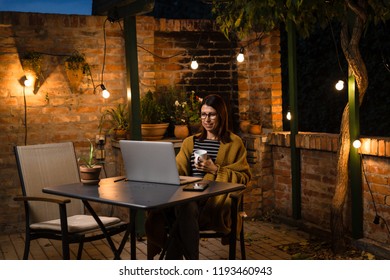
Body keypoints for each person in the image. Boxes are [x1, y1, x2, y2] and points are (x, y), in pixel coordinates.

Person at [145, 94, 251, 259]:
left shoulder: (234, 143)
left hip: (214, 202)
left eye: (212, 114)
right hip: (187, 197)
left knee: (183, 209)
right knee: (182, 205)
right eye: (203, 114)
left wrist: (216, 169)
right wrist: (160, 172)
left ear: (221, 116)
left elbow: (243, 178)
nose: (207, 119)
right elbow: (176, 169)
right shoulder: (190, 142)